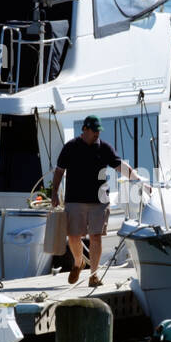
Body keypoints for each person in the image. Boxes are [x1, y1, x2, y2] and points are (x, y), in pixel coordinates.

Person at [50, 115, 148, 287]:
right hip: (75, 199)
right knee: (73, 237)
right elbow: (59, 171)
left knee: (96, 237)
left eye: (99, 131)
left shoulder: (104, 148)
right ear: (85, 130)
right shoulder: (71, 147)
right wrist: (54, 192)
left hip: (99, 200)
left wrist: (140, 181)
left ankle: (94, 275)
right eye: (94, 131)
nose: (97, 134)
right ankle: (78, 262)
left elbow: (121, 166)